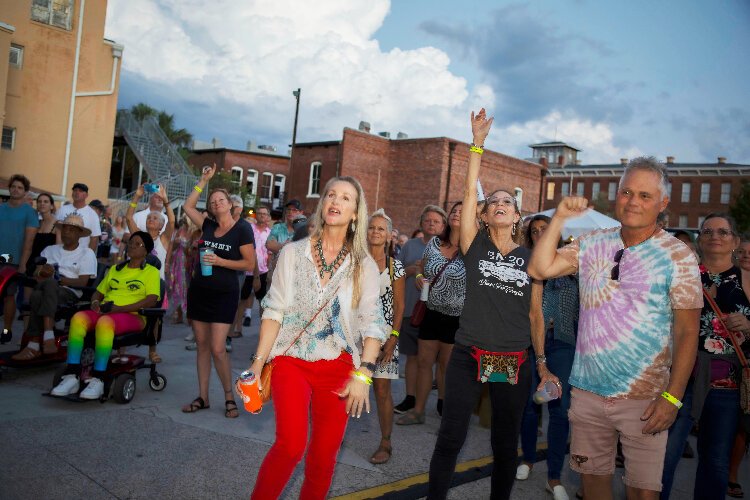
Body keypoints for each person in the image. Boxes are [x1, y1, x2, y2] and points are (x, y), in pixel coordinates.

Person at [528, 155, 703, 500]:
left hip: (646, 399)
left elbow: (687, 334)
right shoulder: (594, 243)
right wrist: (560, 216)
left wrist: (673, 397)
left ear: (663, 203)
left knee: (642, 493)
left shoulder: (678, 255)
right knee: (592, 486)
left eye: (644, 195)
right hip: (588, 392)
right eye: (626, 192)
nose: (633, 202)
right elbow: (539, 268)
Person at [429, 109, 555, 500]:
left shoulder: (530, 259)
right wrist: (477, 144)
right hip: (468, 354)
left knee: (504, 442)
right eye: (493, 202)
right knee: (452, 434)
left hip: (509, 359)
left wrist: (541, 361)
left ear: (517, 216)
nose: (500, 204)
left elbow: (536, 314)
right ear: (483, 216)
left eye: (507, 202)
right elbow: (469, 192)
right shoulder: (474, 246)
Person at [243, 176, 386, 499]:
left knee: (322, 459)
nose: (336, 201)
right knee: (290, 445)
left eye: (346, 198)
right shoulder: (293, 254)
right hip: (291, 361)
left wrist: (364, 373)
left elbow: (372, 322)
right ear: (323, 205)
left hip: (339, 367)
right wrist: (257, 363)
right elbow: (273, 310)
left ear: (355, 213)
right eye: (331, 195)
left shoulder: (363, 265)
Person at [660, 214, 750, 499]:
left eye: (723, 231)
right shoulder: (683, 274)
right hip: (681, 378)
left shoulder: (747, 279)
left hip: (726, 384)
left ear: (734, 240)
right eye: (707, 231)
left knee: (715, 460)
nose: (715, 236)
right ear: (699, 239)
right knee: (665, 453)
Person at [181, 166, 255, 419]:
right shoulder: (208, 226)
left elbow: (249, 264)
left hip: (225, 294)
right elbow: (187, 207)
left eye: (220, 199)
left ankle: (229, 397)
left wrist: (221, 262)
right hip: (200, 291)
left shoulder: (242, 229)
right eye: (213, 201)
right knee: (202, 345)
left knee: (217, 348)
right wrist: (203, 180)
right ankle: (203, 396)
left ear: (230, 204)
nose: (216, 203)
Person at [50, 231, 160, 399]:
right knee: (78, 318)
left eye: (137, 244)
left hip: (134, 315)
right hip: (108, 311)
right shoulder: (116, 269)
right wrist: (95, 303)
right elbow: (98, 293)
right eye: (130, 242)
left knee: (105, 323)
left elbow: (151, 300)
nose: (131, 246)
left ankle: (99, 379)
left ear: (146, 251)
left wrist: (120, 309)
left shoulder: (151, 272)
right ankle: (72, 375)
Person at [517, 214, 579, 500]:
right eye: (535, 231)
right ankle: (527, 459)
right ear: (530, 237)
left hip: (564, 343)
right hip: (530, 343)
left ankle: (554, 477)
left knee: (560, 407)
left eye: (546, 229)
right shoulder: (526, 265)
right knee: (530, 404)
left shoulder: (573, 265)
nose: (541, 233)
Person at [397, 202, 465, 425]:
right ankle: (418, 411)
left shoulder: (472, 247)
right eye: (454, 210)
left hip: (457, 316)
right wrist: (418, 278)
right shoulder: (435, 242)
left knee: (446, 365)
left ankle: (445, 409)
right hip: (431, 311)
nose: (456, 214)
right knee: (425, 362)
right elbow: (420, 267)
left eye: (461, 212)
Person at [12, 214, 97, 360]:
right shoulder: (50, 250)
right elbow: (35, 273)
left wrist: (59, 280)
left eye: (71, 230)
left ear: (79, 234)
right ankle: (47, 336)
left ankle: (34, 345)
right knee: (39, 293)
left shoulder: (86, 253)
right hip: (46, 291)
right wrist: (42, 271)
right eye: (64, 229)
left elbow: (82, 282)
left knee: (44, 288)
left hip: (69, 292)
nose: (66, 233)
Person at [394, 205, 447, 414]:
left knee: (440, 360)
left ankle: (442, 401)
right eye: (428, 220)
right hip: (411, 311)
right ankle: (410, 397)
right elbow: (396, 274)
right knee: (413, 357)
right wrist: (412, 270)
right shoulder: (409, 246)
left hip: (437, 312)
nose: (431, 224)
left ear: (443, 226)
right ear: (421, 223)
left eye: (436, 221)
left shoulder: (448, 247)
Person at [367, 209, 405, 464]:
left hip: (384, 336)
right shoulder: (355, 260)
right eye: (372, 227)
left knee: (381, 389)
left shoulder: (395, 266)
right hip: (354, 334)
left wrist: (393, 337)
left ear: (390, 235)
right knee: (345, 386)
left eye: (381, 228)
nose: (376, 232)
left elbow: (400, 306)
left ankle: (385, 442)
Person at [125, 184, 175, 364]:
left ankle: (152, 350)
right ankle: (121, 348)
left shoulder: (163, 239)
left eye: (155, 218)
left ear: (161, 225)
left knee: (154, 320)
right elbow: (129, 217)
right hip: (136, 283)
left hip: (156, 285)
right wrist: (137, 196)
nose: (151, 219)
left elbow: (172, 220)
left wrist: (166, 201)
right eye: (149, 217)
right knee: (128, 312)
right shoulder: (139, 238)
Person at [0, 174, 39, 344]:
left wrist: (22, 264)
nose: (16, 189)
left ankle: (6, 329)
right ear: (9, 188)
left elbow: (29, 241)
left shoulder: (29, 212)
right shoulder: (1, 208)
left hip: (14, 260)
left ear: (25, 192)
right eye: (13, 186)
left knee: (9, 296)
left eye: (20, 187)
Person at [728, 237, 750, 499]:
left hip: (747, 364)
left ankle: (732, 474)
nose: (745, 255)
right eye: (742, 251)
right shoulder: (725, 282)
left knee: (743, 425)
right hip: (724, 359)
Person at [236, 204, 272, 330]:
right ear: (256, 215)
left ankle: (263, 332)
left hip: (263, 271)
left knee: (263, 301)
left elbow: (270, 253)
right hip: (246, 270)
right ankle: (237, 328)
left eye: (264, 213)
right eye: (260, 213)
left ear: (268, 216)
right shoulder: (249, 228)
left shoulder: (270, 233)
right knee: (241, 299)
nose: (262, 215)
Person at [55, 182, 101, 252]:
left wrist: (89, 255)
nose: (77, 192)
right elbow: (57, 230)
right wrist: (58, 249)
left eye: (80, 191)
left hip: (81, 254)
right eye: (75, 190)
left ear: (86, 195)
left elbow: (94, 238)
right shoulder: (62, 209)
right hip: (61, 252)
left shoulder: (92, 214)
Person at [26, 193, 57, 277]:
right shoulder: (37, 223)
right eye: (39, 201)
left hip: (45, 267)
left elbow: (58, 249)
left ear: (51, 206)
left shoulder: (58, 224)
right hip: (31, 263)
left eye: (46, 201)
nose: (42, 203)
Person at [168, 217, 191, 324]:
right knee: (176, 287)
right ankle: (178, 313)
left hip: (186, 262)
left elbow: (190, 250)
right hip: (177, 262)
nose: (183, 225)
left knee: (185, 288)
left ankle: (186, 314)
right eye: (182, 223)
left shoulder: (192, 233)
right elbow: (171, 248)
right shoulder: (178, 232)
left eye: (185, 223)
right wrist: (177, 242)